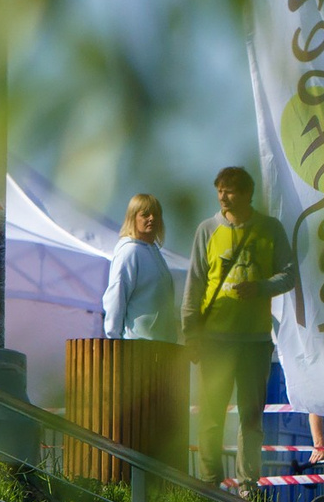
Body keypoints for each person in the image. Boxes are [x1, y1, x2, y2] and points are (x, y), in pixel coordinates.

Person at [184, 166, 296, 484]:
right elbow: (194, 284)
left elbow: (289, 273)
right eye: (219, 189)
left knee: (251, 416)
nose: (223, 196)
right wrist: (190, 332)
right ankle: (209, 483)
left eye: (230, 190)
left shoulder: (270, 229)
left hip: (256, 341)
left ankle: (248, 484)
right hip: (214, 339)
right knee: (211, 414)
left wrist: (260, 287)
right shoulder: (207, 230)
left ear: (247, 194)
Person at [103, 192, 179, 343]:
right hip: (136, 345)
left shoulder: (156, 254)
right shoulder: (129, 252)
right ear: (133, 218)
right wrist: (114, 339)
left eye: (156, 214)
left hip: (161, 346)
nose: (152, 218)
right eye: (145, 214)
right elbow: (117, 295)